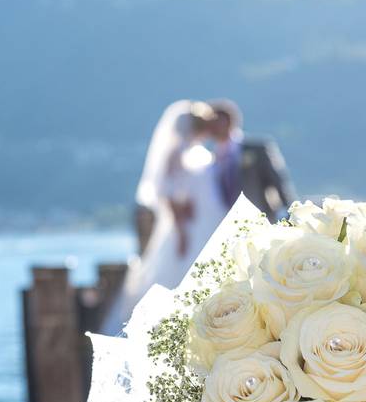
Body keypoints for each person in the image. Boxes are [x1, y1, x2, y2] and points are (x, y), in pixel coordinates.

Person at [103, 100, 226, 334]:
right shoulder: (176, 153)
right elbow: (166, 192)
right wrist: (180, 229)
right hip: (187, 227)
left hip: (204, 223)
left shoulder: (196, 152)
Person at [207, 99, 296, 222]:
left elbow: (278, 182)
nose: (212, 129)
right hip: (226, 224)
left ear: (228, 121)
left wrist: (291, 213)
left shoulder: (257, 149)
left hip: (260, 219)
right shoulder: (211, 158)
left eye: (216, 123)